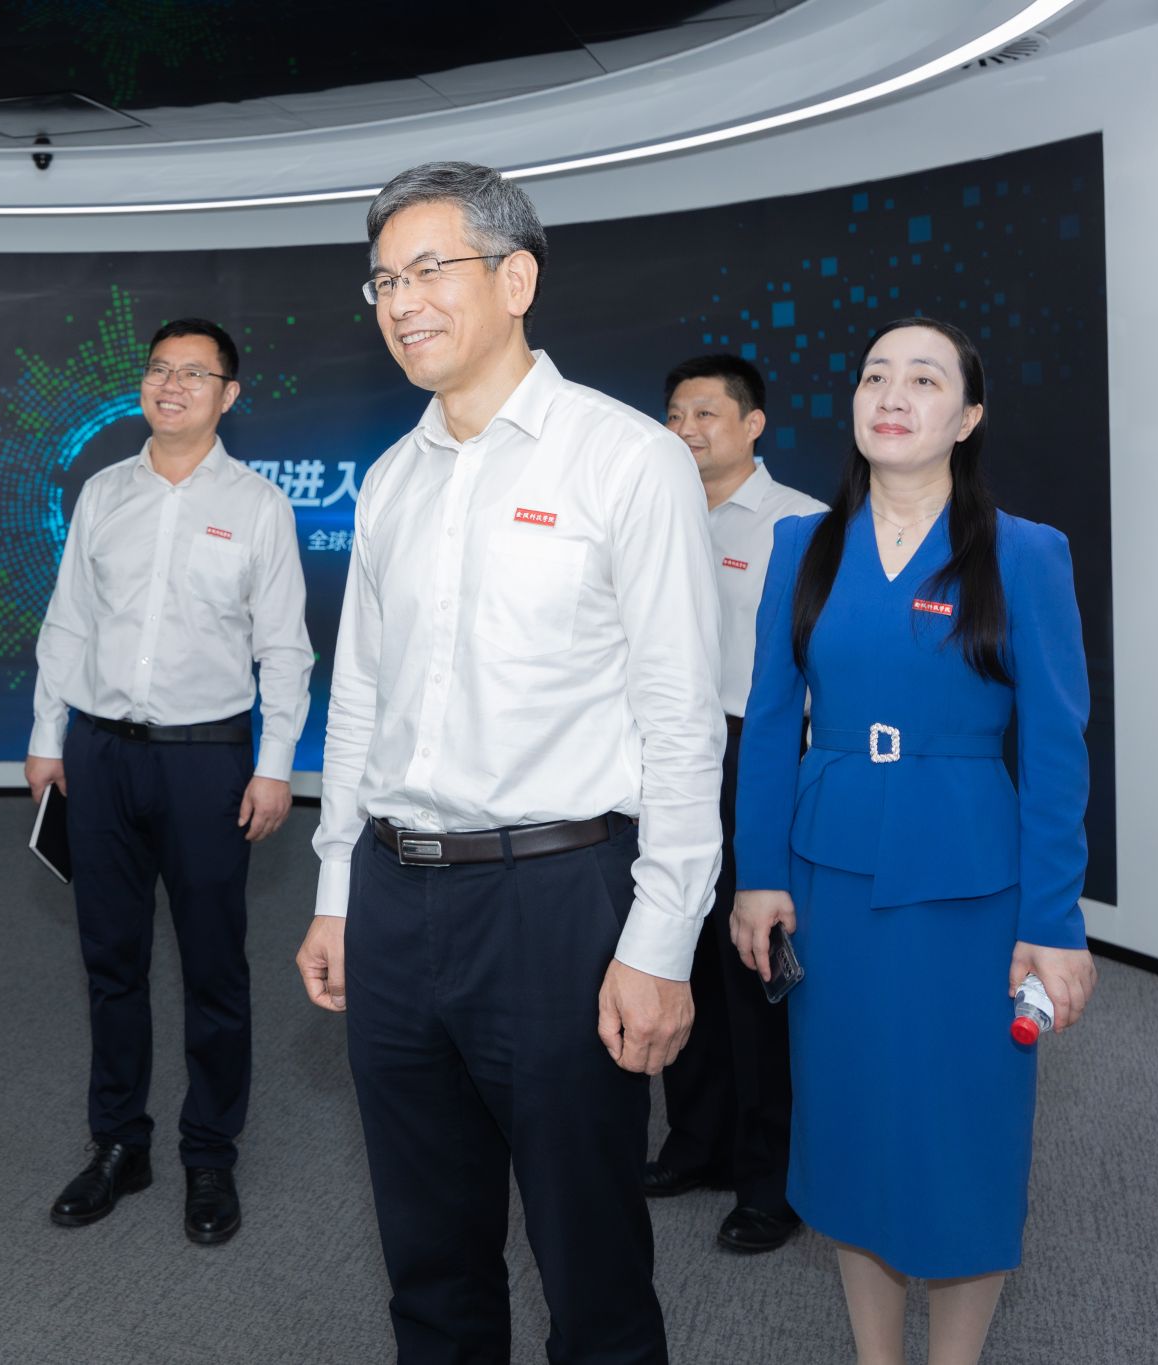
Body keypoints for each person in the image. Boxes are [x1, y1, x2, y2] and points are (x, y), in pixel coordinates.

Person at [294, 161, 724, 1363]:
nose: (400, 302)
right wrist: (336, 889)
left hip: (555, 901)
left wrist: (660, 941)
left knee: (590, 1269)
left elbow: (680, 718)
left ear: (515, 278)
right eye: (382, 280)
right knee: (427, 1261)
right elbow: (359, 699)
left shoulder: (623, 459)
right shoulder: (389, 479)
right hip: (393, 897)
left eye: (428, 269)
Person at [730, 316, 1096, 1365]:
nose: (892, 395)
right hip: (828, 880)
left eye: (924, 380)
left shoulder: (1023, 553)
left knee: (962, 1133)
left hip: (968, 887)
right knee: (848, 1126)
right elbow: (769, 721)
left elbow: (1055, 746)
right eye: (874, 376)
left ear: (967, 417)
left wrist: (1053, 921)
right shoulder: (802, 545)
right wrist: (758, 874)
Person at [26, 316, 312, 1246]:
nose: (172, 385)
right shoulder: (104, 492)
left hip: (208, 762)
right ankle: (120, 1141)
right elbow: (68, 621)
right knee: (110, 960)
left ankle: (209, 1151)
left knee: (213, 965)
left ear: (229, 395)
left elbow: (285, 650)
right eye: (159, 369)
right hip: (101, 755)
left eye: (195, 373)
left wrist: (275, 765)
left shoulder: (260, 505)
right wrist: (48, 735)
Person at [645, 354, 826, 1254]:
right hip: (665, 752)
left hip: (758, 755)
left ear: (753, 424)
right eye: (675, 414)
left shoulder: (804, 524)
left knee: (756, 973)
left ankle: (771, 1175)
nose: (685, 429)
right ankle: (697, 1139)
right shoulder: (654, 512)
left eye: (705, 413)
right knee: (675, 948)